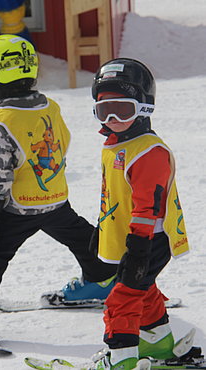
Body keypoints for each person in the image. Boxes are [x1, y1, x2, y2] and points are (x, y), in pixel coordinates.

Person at [0, 34, 117, 338]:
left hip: (19, 206)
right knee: (80, 236)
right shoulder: (51, 106)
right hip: (55, 197)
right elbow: (63, 143)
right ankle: (101, 279)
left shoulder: (3, 121)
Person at [87, 58, 190, 369]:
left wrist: (138, 251)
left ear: (144, 109)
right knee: (143, 291)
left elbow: (148, 205)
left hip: (149, 239)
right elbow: (116, 196)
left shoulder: (148, 152)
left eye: (124, 109)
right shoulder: (120, 145)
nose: (115, 118)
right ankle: (158, 342)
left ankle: (121, 360)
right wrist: (102, 229)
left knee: (121, 300)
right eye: (105, 111)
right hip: (134, 237)